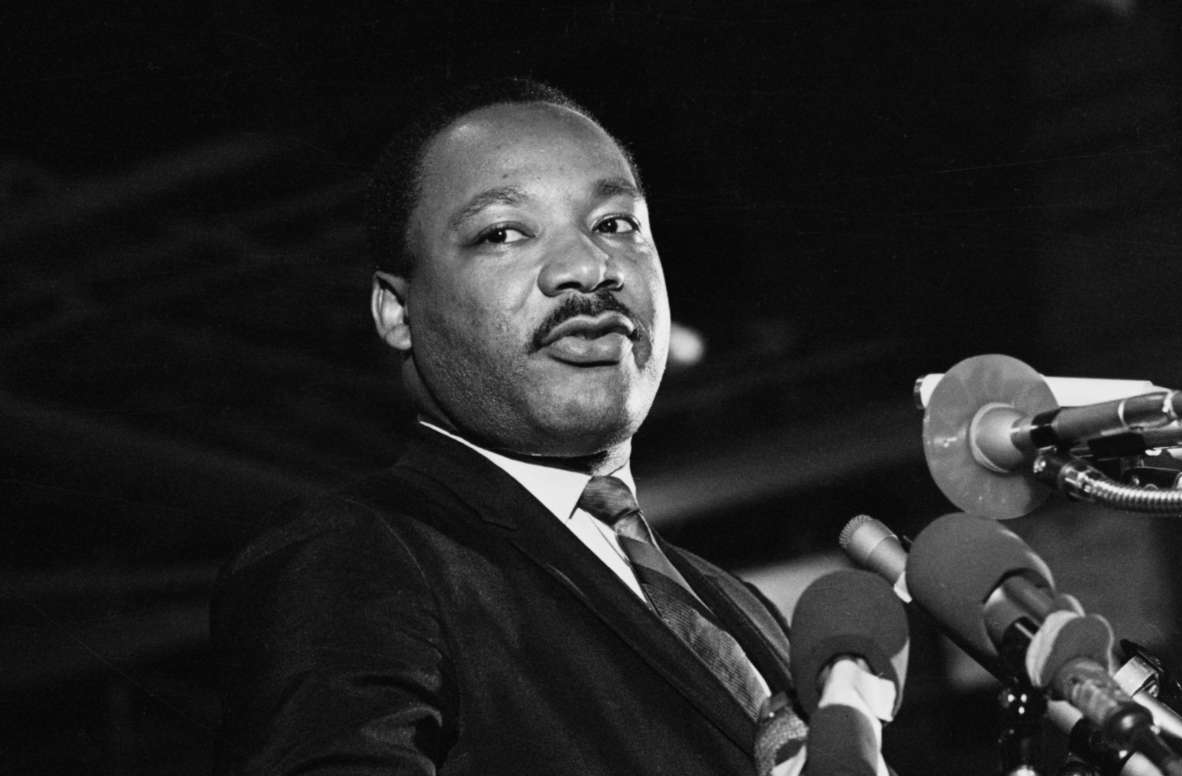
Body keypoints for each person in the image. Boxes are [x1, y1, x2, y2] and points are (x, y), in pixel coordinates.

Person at [210, 78, 797, 776]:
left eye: (615, 224)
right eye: (502, 234)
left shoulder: (741, 607)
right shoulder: (357, 554)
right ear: (398, 312)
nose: (589, 266)